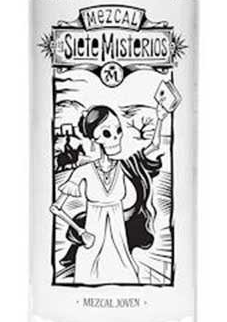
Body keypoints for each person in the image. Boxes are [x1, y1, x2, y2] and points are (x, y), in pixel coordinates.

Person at [53, 104, 166, 284]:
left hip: (119, 246)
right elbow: (55, 208)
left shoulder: (127, 166)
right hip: (92, 241)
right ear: (94, 139)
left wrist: (160, 118)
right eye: (107, 133)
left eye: (118, 131)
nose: (116, 137)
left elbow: (154, 146)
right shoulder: (83, 171)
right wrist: (81, 232)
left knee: (128, 277)